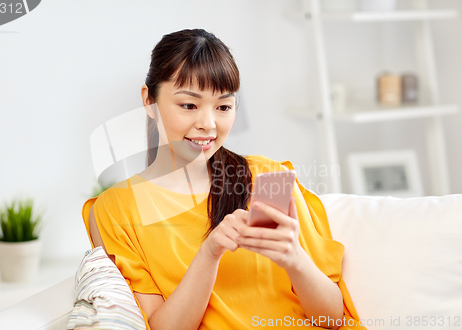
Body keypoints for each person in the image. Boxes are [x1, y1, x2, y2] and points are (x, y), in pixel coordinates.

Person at [82, 28, 366, 330]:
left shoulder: (268, 179)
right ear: (149, 100)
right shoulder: (117, 209)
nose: (208, 124)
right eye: (189, 105)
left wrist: (294, 257)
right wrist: (210, 253)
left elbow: (333, 318)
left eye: (223, 107)